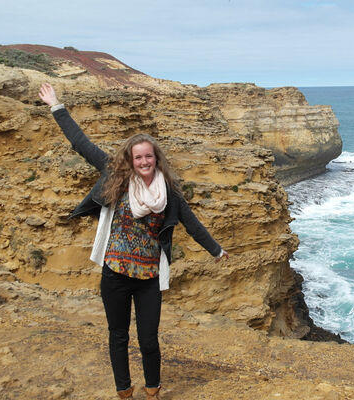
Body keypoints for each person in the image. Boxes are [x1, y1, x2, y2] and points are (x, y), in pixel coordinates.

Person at [38, 83, 228, 399]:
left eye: (148, 156)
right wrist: (56, 105)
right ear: (130, 159)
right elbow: (81, 144)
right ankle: (124, 392)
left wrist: (216, 250)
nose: (143, 162)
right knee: (118, 336)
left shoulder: (169, 194)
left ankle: (152, 391)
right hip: (114, 273)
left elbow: (192, 225)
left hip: (148, 278)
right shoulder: (116, 176)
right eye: (137, 157)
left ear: (156, 159)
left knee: (149, 339)